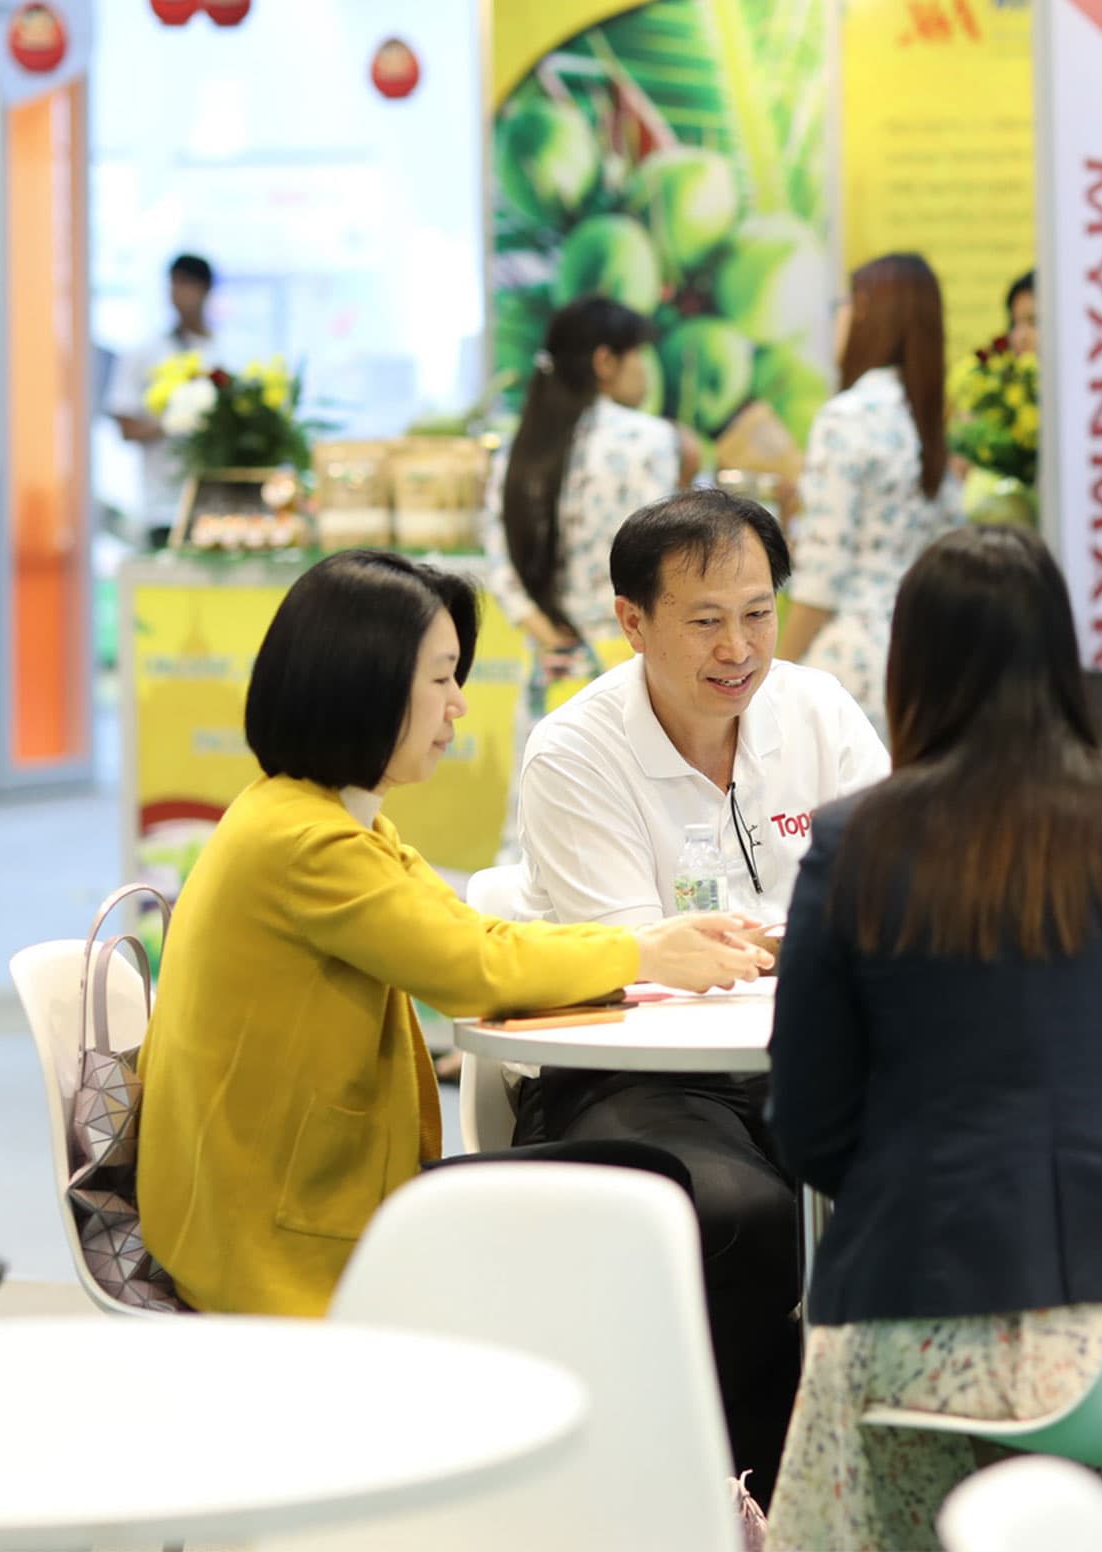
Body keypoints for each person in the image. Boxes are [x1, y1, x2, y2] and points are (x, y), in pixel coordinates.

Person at [764, 525, 1102, 1551]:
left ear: (907, 667)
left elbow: (810, 1127)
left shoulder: (854, 840)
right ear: (1061, 655)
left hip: (915, 1321)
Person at [135, 548, 771, 1317]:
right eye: (440, 679)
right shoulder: (310, 845)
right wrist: (647, 952)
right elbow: (472, 966)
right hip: (289, 1227)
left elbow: (473, 940)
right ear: (362, 686)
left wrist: (649, 949)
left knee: (678, 1185)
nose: (458, 705)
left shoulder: (314, 816)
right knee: (693, 1199)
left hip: (310, 1192)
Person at [511, 489, 888, 1498]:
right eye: (707, 619)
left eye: (759, 613)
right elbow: (644, 960)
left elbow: (889, 892)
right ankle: (678, 1487)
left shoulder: (818, 713)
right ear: (632, 620)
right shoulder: (576, 752)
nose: (740, 648)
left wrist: (748, 942)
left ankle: (854, 1489)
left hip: (818, 1059)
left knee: (964, 1174)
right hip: (645, 1077)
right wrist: (773, 936)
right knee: (743, 1214)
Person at [778, 252, 968, 724]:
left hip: (850, 670)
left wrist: (774, 674)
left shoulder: (847, 417)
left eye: (844, 304)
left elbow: (821, 576)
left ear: (866, 313)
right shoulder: (930, 421)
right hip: (929, 662)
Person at [493, 297, 690, 704]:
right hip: (629, 665)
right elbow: (663, 556)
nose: (645, 372)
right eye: (637, 355)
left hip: (552, 669)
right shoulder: (647, 439)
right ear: (605, 362)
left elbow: (503, 569)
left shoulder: (520, 450)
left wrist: (555, 640)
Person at [106, 253, 217, 548]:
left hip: (217, 507)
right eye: (174, 284)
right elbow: (126, 426)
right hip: (162, 506)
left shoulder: (223, 352)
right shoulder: (145, 353)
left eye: (187, 284)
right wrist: (179, 419)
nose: (179, 293)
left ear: (206, 289)